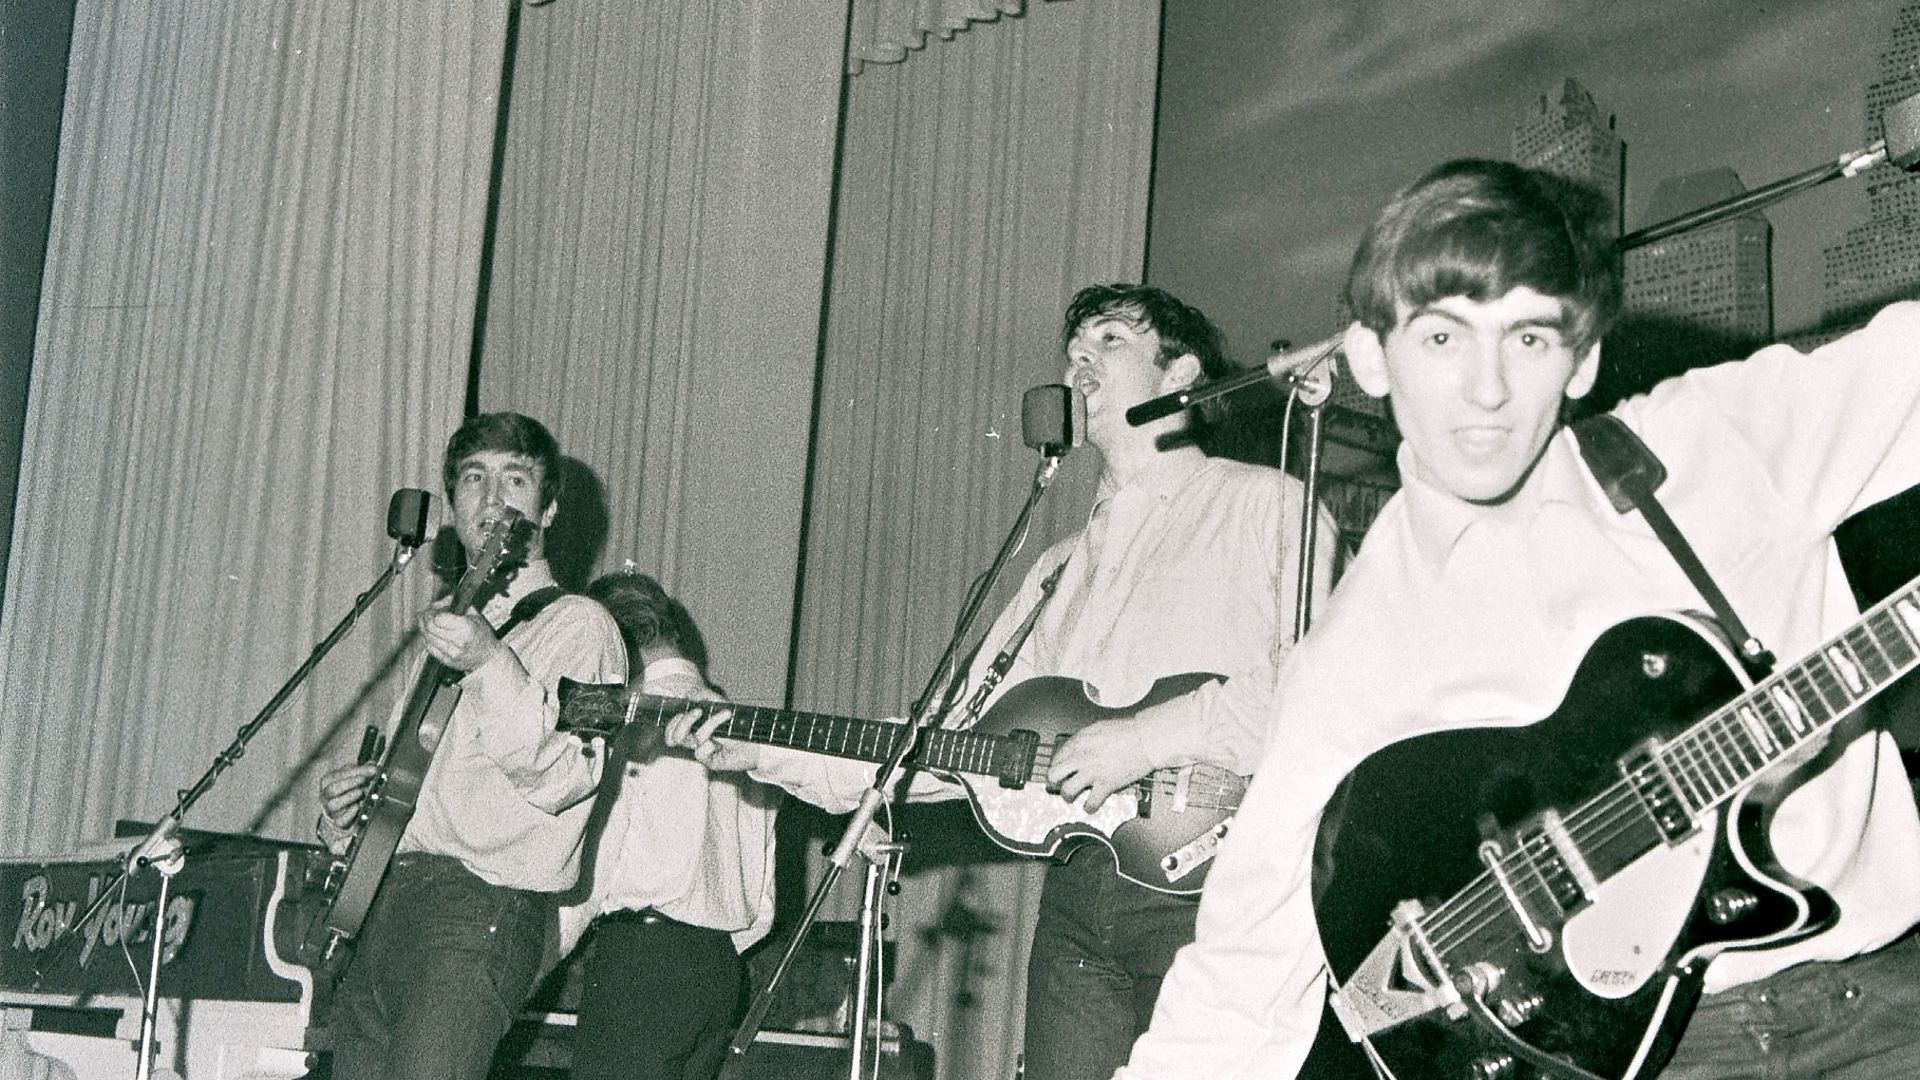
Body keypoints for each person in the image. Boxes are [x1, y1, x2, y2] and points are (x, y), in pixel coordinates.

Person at [1116, 159, 1920, 1079]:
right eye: (1444, 339)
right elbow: (1241, 974)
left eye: (1529, 339)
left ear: (1581, 360)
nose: (1488, 391)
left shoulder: (1714, 443)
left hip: (1890, 997)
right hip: (1667, 1057)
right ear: (1372, 357)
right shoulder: (1359, 649)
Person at [669, 283, 1336, 1080]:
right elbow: (942, 749)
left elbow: (1323, 692)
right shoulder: (1059, 568)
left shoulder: (1266, 506)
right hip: (1079, 903)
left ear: (1179, 374)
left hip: (1225, 885)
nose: (1078, 360)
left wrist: (1145, 739)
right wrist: (753, 745)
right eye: (1073, 349)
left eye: (1110, 341)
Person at [315, 412, 627, 1080]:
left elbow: (568, 774)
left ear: (547, 507)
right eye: (473, 480)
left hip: (477, 913)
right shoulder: (458, 628)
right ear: (451, 506)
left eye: (515, 479)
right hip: (386, 905)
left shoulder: (585, 629)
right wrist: (347, 818)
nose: (491, 499)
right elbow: (420, 794)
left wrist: (490, 664)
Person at [558, 568, 781, 1080]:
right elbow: (762, 902)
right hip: (719, 970)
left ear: (618, 646)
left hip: (640, 961)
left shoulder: (631, 725)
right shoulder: (746, 731)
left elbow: (594, 864)